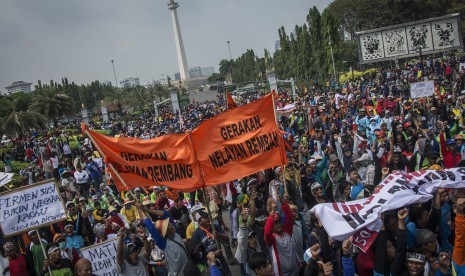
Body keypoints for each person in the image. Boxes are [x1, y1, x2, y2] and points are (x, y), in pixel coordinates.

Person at [137, 204, 190, 275]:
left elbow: (165, 214)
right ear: (165, 232)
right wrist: (140, 211)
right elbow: (151, 228)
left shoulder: (175, 233)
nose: (172, 224)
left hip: (189, 270)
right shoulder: (163, 244)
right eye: (168, 225)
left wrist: (148, 210)